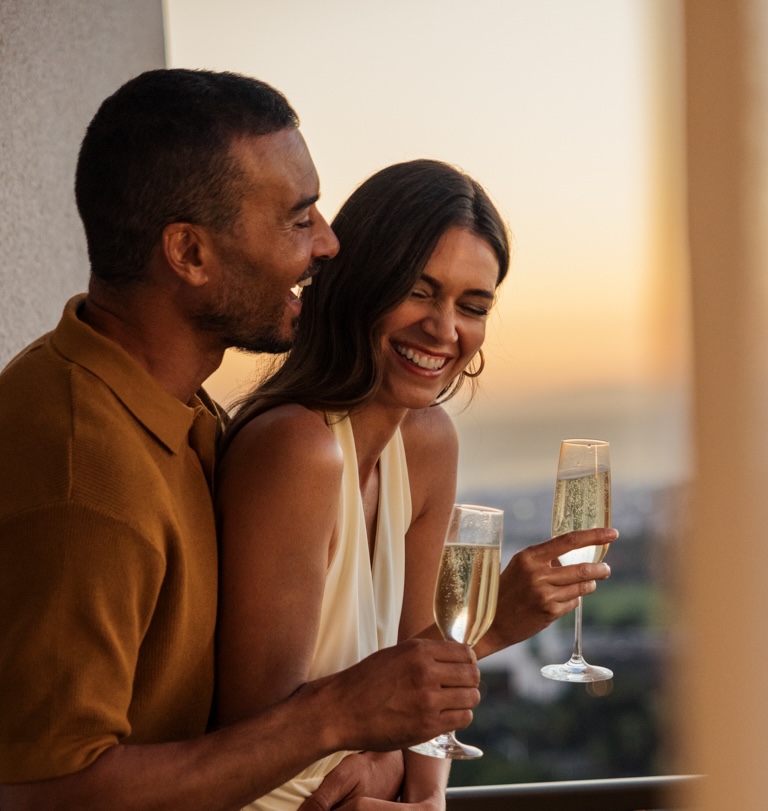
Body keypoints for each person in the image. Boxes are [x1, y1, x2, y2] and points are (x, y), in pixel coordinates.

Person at [0, 69, 481, 811]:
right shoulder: (84, 476)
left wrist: (378, 754)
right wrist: (337, 713)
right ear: (190, 254)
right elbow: (48, 796)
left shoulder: (169, 407)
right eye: (298, 219)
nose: (328, 243)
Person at [215, 159, 618, 810]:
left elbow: (419, 672)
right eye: (419, 290)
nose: (444, 329)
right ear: (359, 283)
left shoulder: (427, 441)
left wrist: (423, 799)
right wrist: (493, 624)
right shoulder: (296, 448)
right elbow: (256, 745)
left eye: (472, 305)